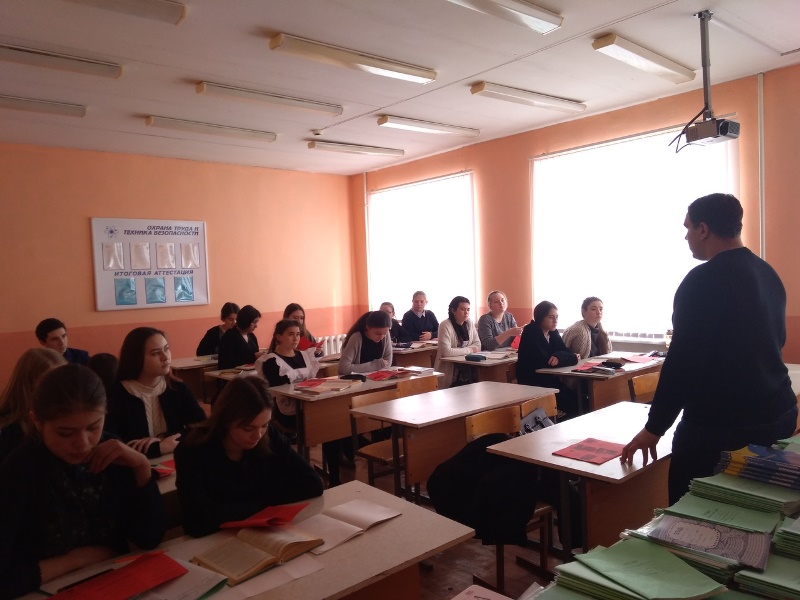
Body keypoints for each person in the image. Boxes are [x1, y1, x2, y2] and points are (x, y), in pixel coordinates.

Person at [621, 193, 798, 504]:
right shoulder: (767, 273)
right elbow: (776, 341)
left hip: (724, 425)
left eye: (687, 228)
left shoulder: (701, 281)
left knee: (690, 508)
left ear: (703, 229)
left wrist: (654, 428)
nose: (686, 236)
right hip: (778, 411)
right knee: (759, 506)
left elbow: (683, 363)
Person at [0, 364, 165, 598]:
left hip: (114, 581)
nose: (83, 443)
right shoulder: (19, 471)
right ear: (36, 421)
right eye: (65, 433)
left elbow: (149, 538)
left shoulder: (112, 453)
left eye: (93, 427)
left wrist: (141, 467)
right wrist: (77, 559)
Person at [174, 377, 323, 537]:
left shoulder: (270, 436)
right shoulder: (192, 450)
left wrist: (238, 507)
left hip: (266, 534)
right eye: (248, 428)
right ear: (225, 420)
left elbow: (312, 484)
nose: (258, 435)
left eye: (264, 425)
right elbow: (197, 523)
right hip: (219, 540)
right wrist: (269, 499)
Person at [106, 327, 206, 458]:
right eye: (155, 353)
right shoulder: (116, 394)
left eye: (166, 349)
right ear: (136, 358)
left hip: (173, 461)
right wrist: (159, 447)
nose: (165, 357)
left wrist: (166, 439)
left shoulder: (177, 388)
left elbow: (202, 427)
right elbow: (112, 445)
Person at [0, 348, 66, 463]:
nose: (59, 388)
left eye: (63, 380)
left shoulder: (66, 413)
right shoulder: (8, 429)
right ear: (28, 384)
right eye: (50, 381)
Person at [517, 301, 579, 416]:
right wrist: (568, 358)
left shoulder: (552, 332)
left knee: (582, 401)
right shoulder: (531, 331)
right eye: (551, 317)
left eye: (556, 317)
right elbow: (547, 362)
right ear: (540, 318)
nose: (555, 321)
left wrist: (559, 357)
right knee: (576, 406)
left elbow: (567, 352)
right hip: (534, 384)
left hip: (549, 381)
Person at [435, 296, 481, 388]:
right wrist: (471, 350)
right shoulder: (445, 325)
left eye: (468, 309)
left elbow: (478, 345)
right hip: (451, 369)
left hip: (468, 365)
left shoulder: (469, 323)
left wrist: (462, 350)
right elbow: (446, 352)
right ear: (453, 310)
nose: (466, 312)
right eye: (462, 309)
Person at [338, 310, 393, 375]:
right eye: (377, 333)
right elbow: (343, 368)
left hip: (377, 378)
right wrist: (374, 365)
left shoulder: (385, 335)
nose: (381, 337)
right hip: (358, 379)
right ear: (368, 327)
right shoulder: (356, 338)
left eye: (384, 333)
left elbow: (387, 363)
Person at [217, 304, 265, 369]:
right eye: (254, 322)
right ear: (246, 321)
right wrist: (253, 356)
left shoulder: (252, 336)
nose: (256, 326)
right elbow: (228, 361)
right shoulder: (229, 336)